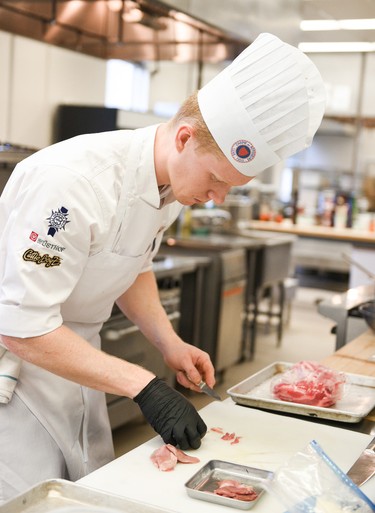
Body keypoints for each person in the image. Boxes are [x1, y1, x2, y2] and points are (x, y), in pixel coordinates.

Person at [0, 32, 325, 503]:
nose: (217, 198)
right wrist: (144, 386)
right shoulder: (70, 185)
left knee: (81, 493)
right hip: (17, 374)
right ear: (184, 137)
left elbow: (131, 267)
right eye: (216, 179)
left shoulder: (171, 186)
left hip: (76, 365)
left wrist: (168, 344)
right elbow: (21, 326)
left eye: (229, 187)